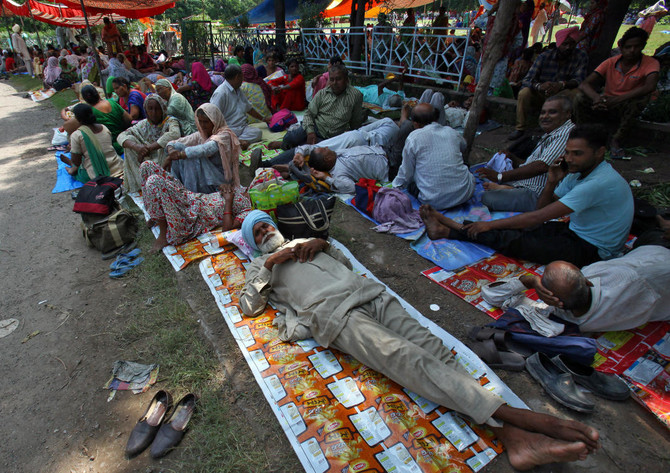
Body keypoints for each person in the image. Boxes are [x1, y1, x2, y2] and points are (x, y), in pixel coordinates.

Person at [238, 211, 600, 472]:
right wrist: (271, 263)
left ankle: (510, 435)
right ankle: (512, 420)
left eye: (267, 224)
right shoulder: (260, 267)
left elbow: (342, 260)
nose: (267, 231)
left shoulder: (304, 241)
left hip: (367, 294)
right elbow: (248, 307)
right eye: (258, 232)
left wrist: (321, 243)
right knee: (406, 358)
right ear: (253, 245)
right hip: (337, 316)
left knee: (433, 348)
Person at [420, 125, 634, 267]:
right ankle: (453, 228)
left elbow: (537, 216)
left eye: (577, 153)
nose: (570, 158)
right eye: (568, 152)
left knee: (517, 240)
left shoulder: (598, 182)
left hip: (593, 250)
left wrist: (489, 225)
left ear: (599, 152)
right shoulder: (578, 171)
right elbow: (541, 209)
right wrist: (551, 181)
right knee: (520, 228)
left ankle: (448, 230)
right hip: (575, 233)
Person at [494, 245, 670, 333]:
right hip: (656, 261)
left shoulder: (561, 319)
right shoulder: (605, 274)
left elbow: (492, 294)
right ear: (588, 282)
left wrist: (530, 281)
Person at [477, 96, 575, 212]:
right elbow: (533, 164)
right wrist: (512, 157)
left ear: (567, 114)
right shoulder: (553, 133)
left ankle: (509, 188)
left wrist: (500, 176)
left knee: (483, 197)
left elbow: (542, 166)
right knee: (481, 182)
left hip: (537, 193)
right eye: (542, 112)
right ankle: (509, 188)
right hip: (526, 184)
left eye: (552, 112)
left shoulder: (565, 133)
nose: (545, 116)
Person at [576, 27, 660, 158]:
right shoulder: (611, 62)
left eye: (636, 47)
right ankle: (584, 132)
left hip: (626, 103)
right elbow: (585, 83)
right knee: (579, 97)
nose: (632, 51)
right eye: (628, 47)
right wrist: (597, 98)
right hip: (606, 101)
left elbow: (650, 86)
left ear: (643, 46)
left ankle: (616, 140)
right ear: (621, 47)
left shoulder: (650, 63)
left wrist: (618, 99)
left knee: (639, 101)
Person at [141, 161, 251, 253]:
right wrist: (223, 187)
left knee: (153, 181)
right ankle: (156, 215)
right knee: (147, 165)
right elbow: (219, 189)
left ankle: (163, 233)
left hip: (192, 217)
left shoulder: (249, 210)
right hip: (192, 198)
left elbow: (227, 230)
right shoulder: (242, 189)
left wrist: (228, 201)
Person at [509, 27, 587, 140]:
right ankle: (520, 128)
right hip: (542, 92)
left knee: (578, 95)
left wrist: (561, 85)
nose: (568, 48)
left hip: (562, 94)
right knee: (524, 93)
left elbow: (579, 79)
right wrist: (540, 86)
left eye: (571, 44)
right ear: (559, 44)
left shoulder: (581, 56)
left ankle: (572, 129)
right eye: (565, 44)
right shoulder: (544, 57)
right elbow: (527, 80)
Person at [392, 104, 474, 210]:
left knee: (412, 183)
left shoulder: (414, 137)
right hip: (464, 194)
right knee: (464, 167)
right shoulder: (451, 131)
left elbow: (406, 173)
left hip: (433, 200)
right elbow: (463, 145)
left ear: (415, 124)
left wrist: (395, 187)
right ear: (436, 118)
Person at [272, 64, 363, 150]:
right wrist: (310, 132)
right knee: (290, 138)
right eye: (331, 79)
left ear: (346, 79)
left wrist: (351, 136)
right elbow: (309, 114)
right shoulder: (322, 93)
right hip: (315, 127)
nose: (335, 83)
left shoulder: (355, 96)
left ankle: (288, 148)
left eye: (339, 79)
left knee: (309, 152)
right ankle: (285, 144)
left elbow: (356, 121)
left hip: (331, 136)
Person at [164, 103, 240, 194]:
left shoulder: (225, 134)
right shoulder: (201, 134)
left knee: (192, 156)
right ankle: (175, 187)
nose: (203, 125)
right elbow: (175, 142)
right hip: (204, 178)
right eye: (200, 121)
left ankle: (190, 194)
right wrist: (171, 152)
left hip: (218, 181)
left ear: (214, 120)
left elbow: (207, 149)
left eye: (206, 122)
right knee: (178, 147)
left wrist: (180, 154)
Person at [117, 94, 181, 193]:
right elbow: (121, 136)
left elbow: (174, 134)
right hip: (146, 157)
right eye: (150, 109)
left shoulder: (170, 121)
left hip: (163, 159)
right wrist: (137, 147)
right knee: (128, 141)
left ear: (163, 109)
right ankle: (142, 185)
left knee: (170, 145)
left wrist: (149, 148)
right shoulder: (143, 124)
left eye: (157, 109)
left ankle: (164, 186)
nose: (154, 112)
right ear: (146, 110)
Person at [209, 65, 271, 148]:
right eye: (242, 77)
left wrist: (263, 119)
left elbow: (248, 108)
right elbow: (212, 116)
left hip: (242, 128)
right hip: (228, 130)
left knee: (257, 133)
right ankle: (235, 142)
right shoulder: (220, 93)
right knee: (223, 138)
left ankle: (235, 142)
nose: (243, 80)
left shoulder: (238, 90)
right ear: (237, 77)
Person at [63, 103, 124, 183]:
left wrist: (73, 150)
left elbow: (77, 162)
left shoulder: (77, 135)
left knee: (80, 171)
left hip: (98, 174)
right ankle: (72, 168)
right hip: (118, 166)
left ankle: (71, 169)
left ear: (78, 119)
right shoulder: (104, 128)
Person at [79, 84, 132, 155]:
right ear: (97, 93)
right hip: (126, 141)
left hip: (113, 149)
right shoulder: (112, 103)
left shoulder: (90, 112)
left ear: (85, 100)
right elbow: (129, 119)